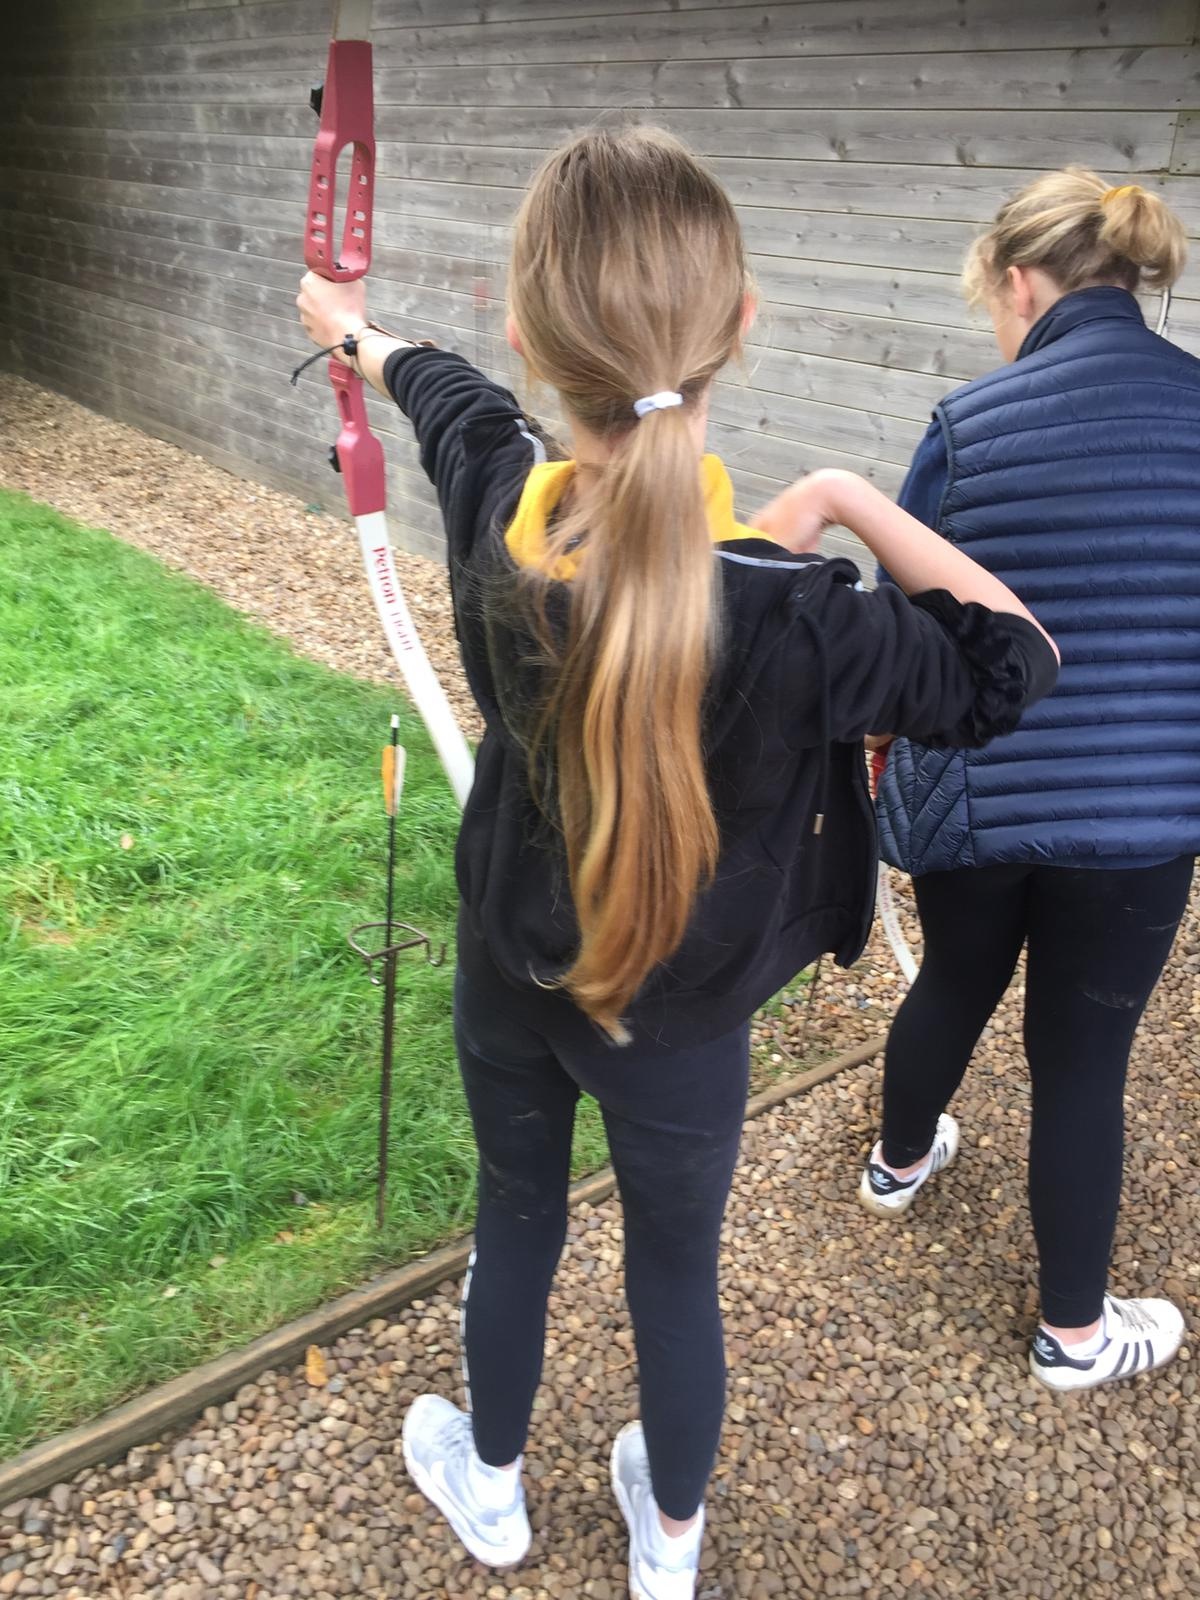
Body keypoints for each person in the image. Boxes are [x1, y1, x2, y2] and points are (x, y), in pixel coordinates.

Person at [297, 128, 1057, 1596]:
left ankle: (493, 1492)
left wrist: (351, 331)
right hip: (686, 1021)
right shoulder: (803, 614)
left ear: (533, 339)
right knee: (674, 1268)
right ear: (743, 325)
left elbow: (448, 397)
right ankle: (671, 1543)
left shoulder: (497, 498)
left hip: (515, 971)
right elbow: (1015, 657)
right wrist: (841, 495)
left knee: (517, 1211)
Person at [868, 168, 1199, 1393]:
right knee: (1083, 1059)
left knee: (954, 979)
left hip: (978, 794)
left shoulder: (968, 424)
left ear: (1019, 282)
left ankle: (899, 1163)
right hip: (1145, 818)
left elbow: (905, 618)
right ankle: (1073, 1335)